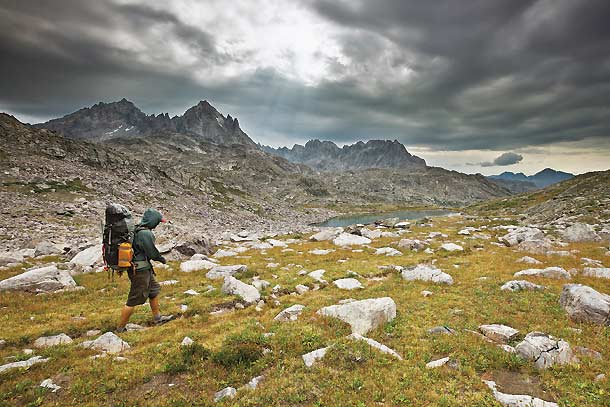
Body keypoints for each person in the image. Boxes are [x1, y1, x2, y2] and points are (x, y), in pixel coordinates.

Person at [116, 208, 173, 332]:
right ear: (153, 221)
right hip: (139, 270)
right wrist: (162, 259)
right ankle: (120, 329)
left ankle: (158, 318)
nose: (157, 225)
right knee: (134, 298)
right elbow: (152, 252)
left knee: (154, 290)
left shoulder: (138, 229)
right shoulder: (145, 234)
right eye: (157, 222)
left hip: (143, 268)